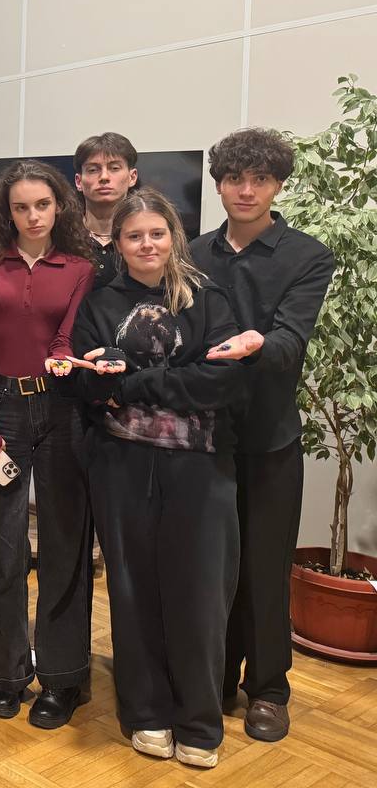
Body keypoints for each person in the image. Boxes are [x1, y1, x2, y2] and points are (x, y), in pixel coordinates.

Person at [71, 187, 256, 769]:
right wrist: (167, 380)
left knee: (199, 592)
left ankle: (198, 720)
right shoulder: (99, 304)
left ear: (174, 236)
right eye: (134, 236)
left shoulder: (209, 298)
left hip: (200, 466)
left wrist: (135, 383)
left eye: (156, 233)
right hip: (120, 467)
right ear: (118, 243)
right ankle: (145, 711)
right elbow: (87, 384)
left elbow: (223, 383)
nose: (146, 244)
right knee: (131, 588)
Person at [190, 128, 335, 744]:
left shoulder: (308, 255)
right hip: (201, 436)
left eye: (260, 179)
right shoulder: (191, 252)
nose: (246, 190)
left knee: (266, 568)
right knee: (209, 566)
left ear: (278, 185)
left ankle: (269, 688)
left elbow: (290, 341)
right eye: (234, 179)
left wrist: (256, 343)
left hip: (270, 438)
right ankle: (216, 676)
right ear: (219, 184)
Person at [0, 160, 95, 727]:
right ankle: (5, 674)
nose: (33, 216)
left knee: (65, 546)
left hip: (63, 410)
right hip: (2, 407)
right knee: (2, 548)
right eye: (21, 207)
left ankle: (63, 679)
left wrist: (63, 353)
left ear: (59, 205)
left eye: (42, 205)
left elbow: (68, 337)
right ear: (6, 211)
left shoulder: (81, 266)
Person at [74, 132, 139, 289]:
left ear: (132, 177)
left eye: (114, 168)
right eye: (93, 170)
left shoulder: (147, 239)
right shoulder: (63, 237)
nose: (104, 177)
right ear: (78, 181)